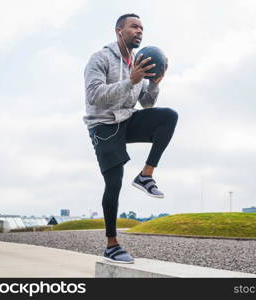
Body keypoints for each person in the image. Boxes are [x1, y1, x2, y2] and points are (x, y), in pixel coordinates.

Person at [83, 13, 178, 263]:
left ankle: (146, 175)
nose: (139, 31)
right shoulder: (100, 58)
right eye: (134, 27)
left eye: (142, 28)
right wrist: (130, 81)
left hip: (127, 118)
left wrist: (154, 83)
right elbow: (94, 96)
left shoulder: (139, 62)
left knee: (168, 116)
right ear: (119, 31)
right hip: (103, 126)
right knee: (113, 183)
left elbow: (146, 103)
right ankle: (111, 244)